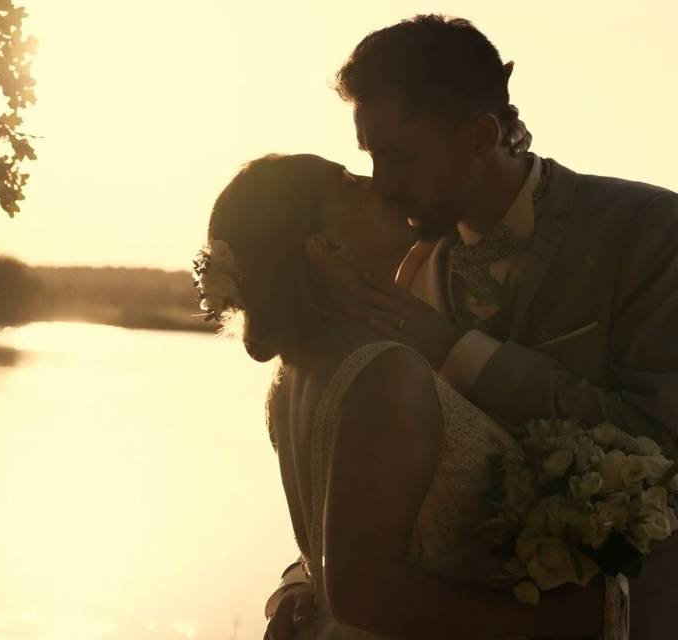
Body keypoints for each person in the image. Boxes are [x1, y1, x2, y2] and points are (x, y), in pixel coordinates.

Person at [263, 14, 678, 640]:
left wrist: (454, 350)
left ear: (482, 135)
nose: (383, 185)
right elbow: (375, 482)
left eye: (400, 156)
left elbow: (661, 436)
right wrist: (303, 580)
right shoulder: (410, 272)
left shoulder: (650, 232)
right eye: (372, 158)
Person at [196, 153, 606, 639]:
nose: (379, 183)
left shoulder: (294, 379)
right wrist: (549, 622)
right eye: (348, 182)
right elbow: (362, 592)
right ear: (327, 248)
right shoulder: (382, 372)